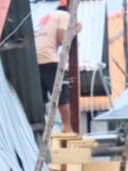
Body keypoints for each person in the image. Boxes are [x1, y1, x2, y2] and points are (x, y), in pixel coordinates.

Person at [34, 0, 81, 132]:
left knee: (41, 98)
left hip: (34, 61)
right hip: (49, 59)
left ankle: (41, 129)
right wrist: (76, 29)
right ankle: (67, 127)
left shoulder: (42, 16)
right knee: (62, 93)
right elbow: (62, 38)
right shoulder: (64, 16)